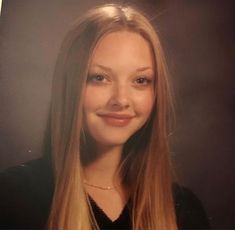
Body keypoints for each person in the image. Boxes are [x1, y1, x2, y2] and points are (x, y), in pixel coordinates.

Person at [0, 3, 210, 230]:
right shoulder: (14, 197)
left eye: (140, 81)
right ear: (70, 85)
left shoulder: (183, 210)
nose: (121, 99)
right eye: (100, 78)